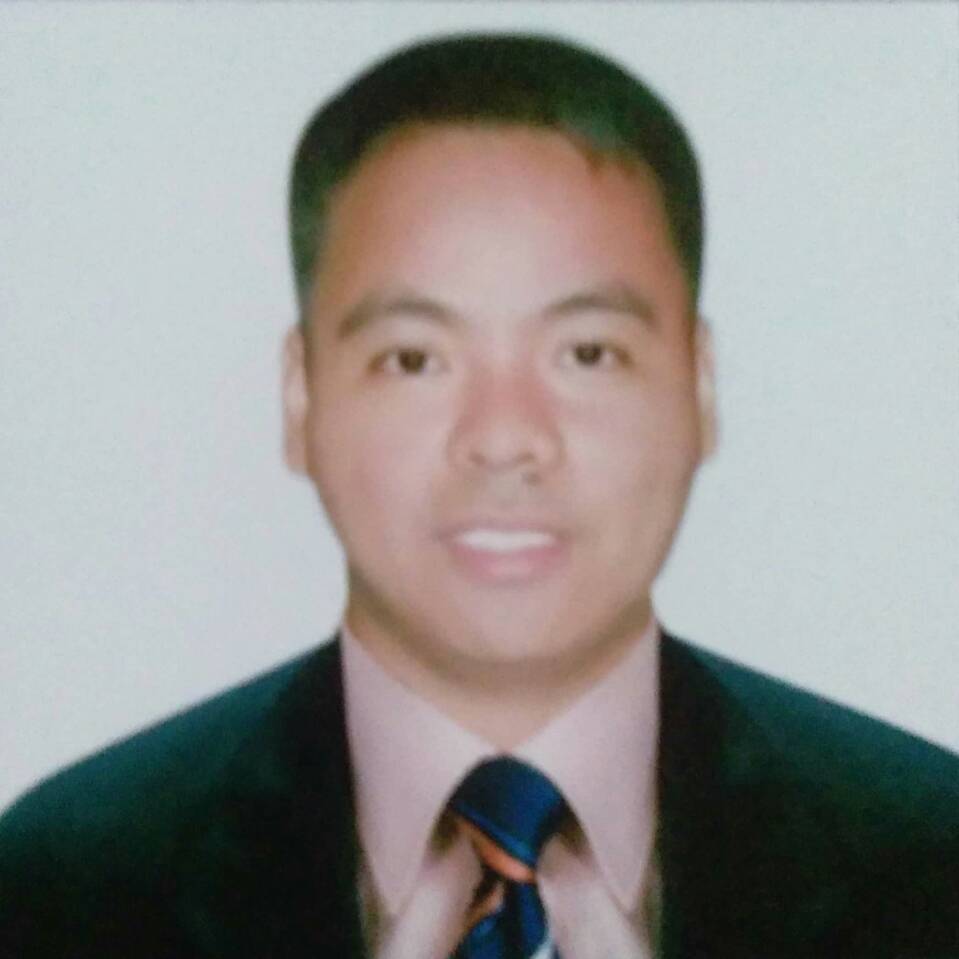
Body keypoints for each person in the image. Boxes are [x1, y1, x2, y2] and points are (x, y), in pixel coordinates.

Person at [1, 31, 957, 959]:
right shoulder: (59, 888)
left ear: (700, 389)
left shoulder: (931, 863)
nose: (504, 439)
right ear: (300, 398)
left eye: (587, 353)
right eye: (414, 359)